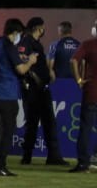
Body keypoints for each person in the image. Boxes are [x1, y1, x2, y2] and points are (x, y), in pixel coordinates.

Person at [0, 17, 36, 176]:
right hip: (6, 94)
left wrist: (20, 59)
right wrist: (30, 61)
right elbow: (21, 70)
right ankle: (0, 166)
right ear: (16, 32)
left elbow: (4, 63)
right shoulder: (9, 46)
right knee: (6, 133)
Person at [19, 16, 67, 165]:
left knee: (45, 122)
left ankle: (50, 156)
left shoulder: (35, 43)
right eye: (43, 27)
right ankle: (29, 156)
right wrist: (36, 78)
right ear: (38, 28)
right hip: (34, 89)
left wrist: (47, 72)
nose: (44, 30)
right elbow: (22, 61)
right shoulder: (26, 41)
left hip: (41, 88)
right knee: (36, 122)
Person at [69, 19, 97, 173]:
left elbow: (73, 60)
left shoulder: (88, 44)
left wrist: (78, 79)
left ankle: (83, 164)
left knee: (85, 129)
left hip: (91, 92)